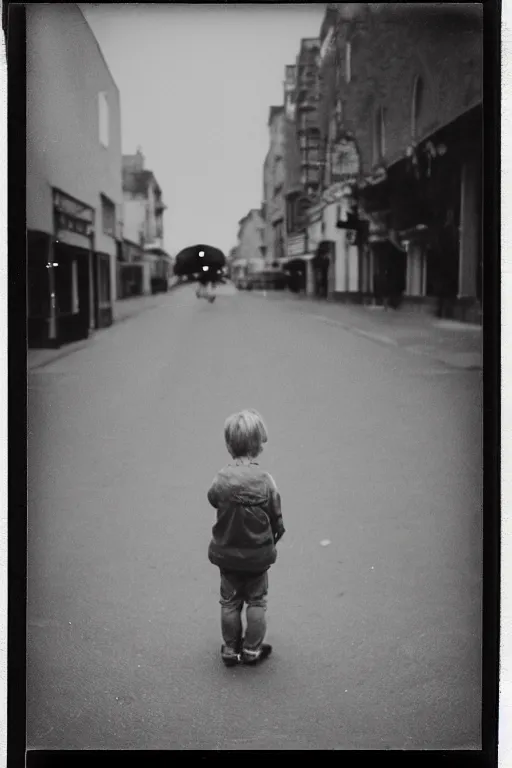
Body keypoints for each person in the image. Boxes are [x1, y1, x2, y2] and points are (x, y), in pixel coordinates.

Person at [207, 409, 285, 667]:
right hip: (257, 556)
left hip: (227, 554)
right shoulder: (265, 481)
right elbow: (276, 514)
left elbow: (213, 499)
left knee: (229, 602)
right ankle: (252, 650)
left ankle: (230, 649)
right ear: (259, 446)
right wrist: (275, 536)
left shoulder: (222, 478)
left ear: (229, 445)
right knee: (256, 601)